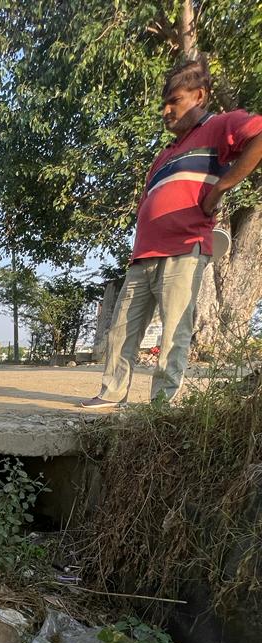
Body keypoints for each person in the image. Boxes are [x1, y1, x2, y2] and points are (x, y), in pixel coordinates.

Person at [82, 60, 262, 409]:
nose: (166, 112)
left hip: (184, 247)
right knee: (121, 330)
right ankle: (111, 393)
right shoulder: (165, 154)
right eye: (163, 104)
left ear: (200, 96)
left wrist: (221, 186)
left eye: (174, 101)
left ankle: (161, 405)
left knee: (174, 330)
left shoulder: (219, 126)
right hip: (143, 256)